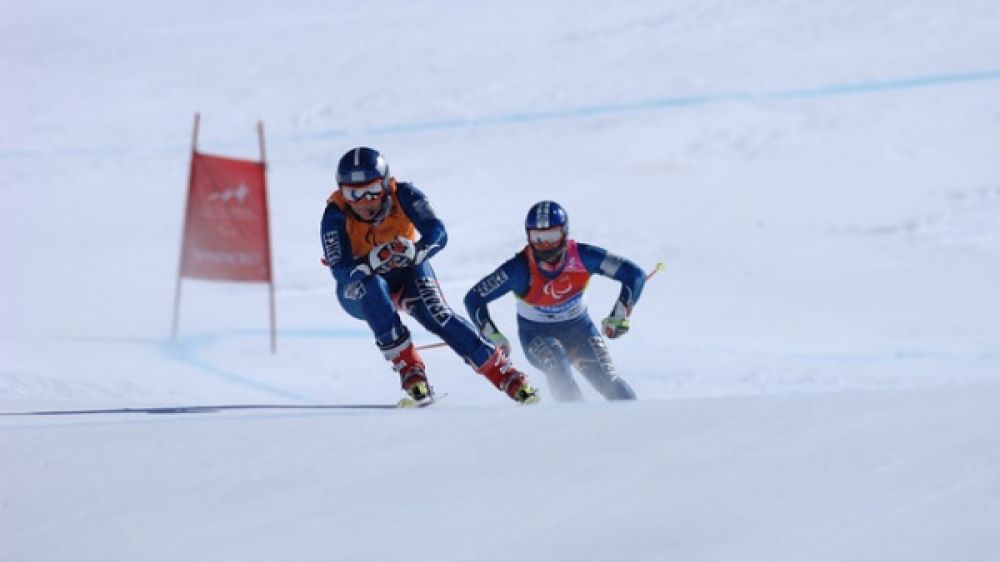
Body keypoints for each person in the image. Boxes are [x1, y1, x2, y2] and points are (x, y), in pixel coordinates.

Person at [321, 147, 539, 406]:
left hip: (406, 273)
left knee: (438, 314)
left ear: (386, 185)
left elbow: (438, 232)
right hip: (359, 290)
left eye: (372, 190)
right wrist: (370, 262)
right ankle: (410, 369)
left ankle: (505, 374)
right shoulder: (334, 215)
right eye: (353, 194)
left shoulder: (405, 195)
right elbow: (340, 270)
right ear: (342, 193)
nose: (365, 201)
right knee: (370, 285)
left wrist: (417, 250)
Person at [464, 201, 644, 402]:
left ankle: (640, 428)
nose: (545, 245)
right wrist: (493, 335)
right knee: (557, 363)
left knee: (608, 381)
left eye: (552, 236)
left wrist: (619, 315)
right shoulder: (518, 269)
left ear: (564, 233)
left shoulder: (584, 256)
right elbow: (474, 298)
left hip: (580, 329)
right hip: (536, 334)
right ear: (528, 236)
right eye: (538, 238)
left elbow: (635, 275)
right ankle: (573, 425)